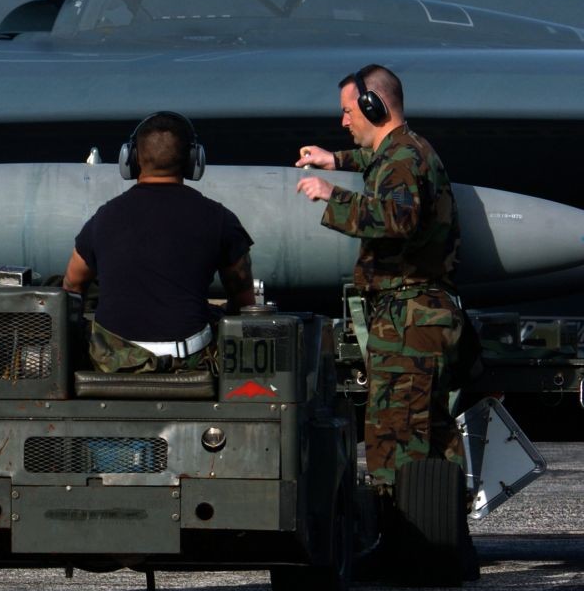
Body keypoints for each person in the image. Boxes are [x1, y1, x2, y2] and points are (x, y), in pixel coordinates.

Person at [294, 64, 466, 489]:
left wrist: (334, 195)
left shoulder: (403, 159)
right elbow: (379, 163)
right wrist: (336, 159)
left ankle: (408, 538)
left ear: (375, 106)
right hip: (418, 315)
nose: (344, 121)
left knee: (397, 437)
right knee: (428, 434)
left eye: (350, 111)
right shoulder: (402, 152)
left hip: (410, 318)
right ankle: (441, 538)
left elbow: (400, 217)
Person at [63, 111, 255, 373]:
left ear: (131, 159)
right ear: (193, 160)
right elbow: (245, 303)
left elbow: (72, 285)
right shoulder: (220, 219)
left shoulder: (104, 217)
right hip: (189, 360)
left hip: (115, 364)